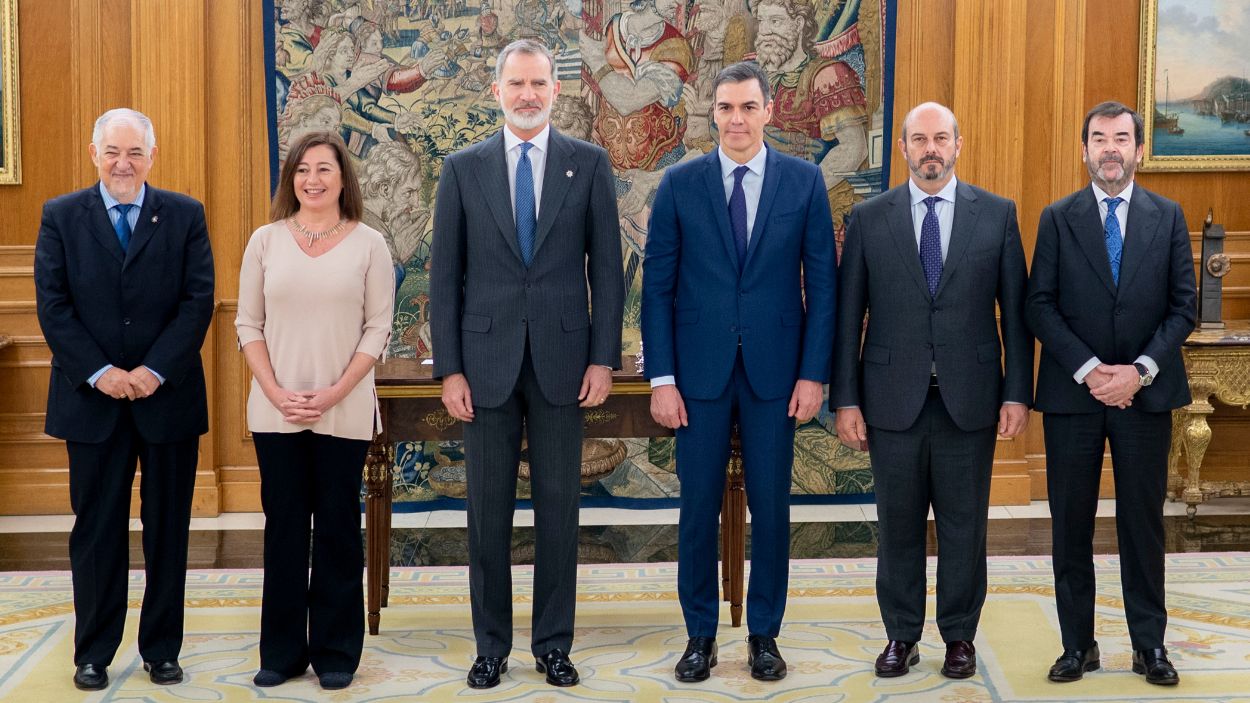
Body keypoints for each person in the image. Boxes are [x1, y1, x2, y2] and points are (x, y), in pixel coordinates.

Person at [429, 39, 624, 690]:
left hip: (565, 364)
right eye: (516, 83)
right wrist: (449, 369)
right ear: (497, 91)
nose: (528, 94)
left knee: (559, 511)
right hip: (482, 365)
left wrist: (604, 358)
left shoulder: (588, 164)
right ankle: (491, 646)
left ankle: (553, 644)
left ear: (556, 91)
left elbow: (609, 273)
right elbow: (444, 277)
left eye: (538, 83)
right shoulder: (462, 168)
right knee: (487, 514)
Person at [641, 61, 836, 683]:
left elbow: (823, 289)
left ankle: (764, 635)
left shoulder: (804, 183)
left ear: (768, 112)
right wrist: (662, 379)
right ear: (712, 115)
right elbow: (658, 291)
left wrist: (813, 374)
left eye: (747, 107)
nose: (736, 120)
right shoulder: (679, 184)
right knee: (697, 508)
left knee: (772, 509)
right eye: (725, 108)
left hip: (776, 376)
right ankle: (699, 635)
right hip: (695, 377)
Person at [831, 102, 1033, 679]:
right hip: (891, 400)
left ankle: (960, 638)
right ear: (902, 148)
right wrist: (846, 399)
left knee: (964, 527)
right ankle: (901, 636)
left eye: (940, 138)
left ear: (958, 144)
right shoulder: (870, 218)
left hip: (970, 401)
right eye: (918, 139)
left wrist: (1017, 392)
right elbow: (850, 318)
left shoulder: (996, 215)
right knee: (896, 526)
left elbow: (1014, 316)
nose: (930, 149)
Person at [34, 108, 215, 691]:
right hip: (93, 402)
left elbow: (197, 301)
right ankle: (93, 652)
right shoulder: (61, 216)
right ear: (94, 154)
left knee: (168, 529)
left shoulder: (184, 215)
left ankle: (163, 648)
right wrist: (102, 372)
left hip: (168, 399)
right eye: (113, 152)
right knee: (97, 532)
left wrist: (154, 370)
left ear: (151, 158)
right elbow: (53, 306)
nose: (123, 163)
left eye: (135, 153)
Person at [1027, 101, 1196, 687]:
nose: (1110, 149)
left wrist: (1139, 371)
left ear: (1139, 149)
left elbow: (1184, 308)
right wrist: (1094, 370)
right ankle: (1078, 646)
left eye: (1121, 138)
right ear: (1084, 150)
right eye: (1099, 138)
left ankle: (1150, 646)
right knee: (1070, 522)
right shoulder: (1057, 217)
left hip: (1145, 397)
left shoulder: (1169, 216)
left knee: (1141, 525)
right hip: (1074, 397)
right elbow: (1038, 305)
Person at [235, 130, 394, 691]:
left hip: (342, 409)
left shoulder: (370, 243)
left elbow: (378, 329)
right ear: (290, 180)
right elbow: (246, 324)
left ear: (343, 178)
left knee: (336, 531)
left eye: (324, 169)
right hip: (276, 412)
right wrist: (276, 391)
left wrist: (334, 391)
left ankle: (334, 652)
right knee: (283, 531)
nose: (313, 180)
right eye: (302, 170)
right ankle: (281, 653)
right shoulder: (265, 241)